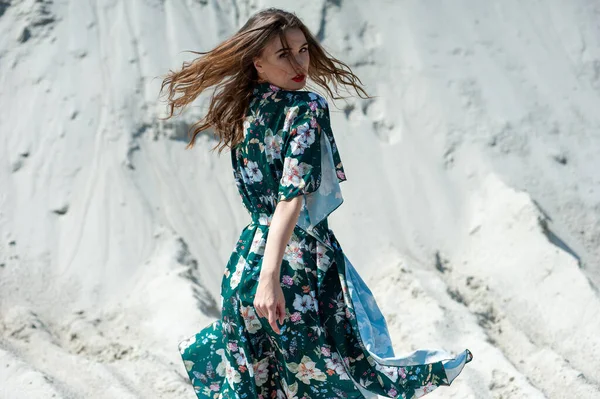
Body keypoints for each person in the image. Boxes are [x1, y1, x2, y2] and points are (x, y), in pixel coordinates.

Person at [160, 7, 473, 399]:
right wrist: (272, 277)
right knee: (341, 379)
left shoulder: (244, 111)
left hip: (245, 266)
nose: (298, 63)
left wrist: (261, 275)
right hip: (294, 269)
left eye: (302, 50)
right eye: (283, 54)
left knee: (256, 388)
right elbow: (291, 199)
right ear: (257, 64)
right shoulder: (305, 108)